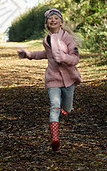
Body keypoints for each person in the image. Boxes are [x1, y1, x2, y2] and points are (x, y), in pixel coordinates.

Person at [17, 8, 82, 151]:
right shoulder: (46, 39)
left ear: (61, 22)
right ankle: (55, 139)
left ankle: (65, 110)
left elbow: (75, 58)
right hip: (53, 78)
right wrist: (29, 54)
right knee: (54, 106)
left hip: (69, 79)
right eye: (50, 18)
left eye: (56, 18)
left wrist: (64, 58)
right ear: (47, 23)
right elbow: (44, 54)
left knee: (67, 109)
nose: (53, 20)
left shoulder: (67, 38)